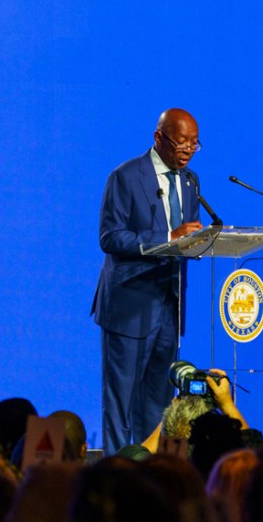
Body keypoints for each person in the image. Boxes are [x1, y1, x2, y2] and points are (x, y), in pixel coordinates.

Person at [93, 108, 203, 453]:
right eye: (181, 142)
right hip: (130, 304)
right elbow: (110, 237)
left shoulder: (190, 182)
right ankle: (115, 472)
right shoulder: (126, 176)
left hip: (170, 304)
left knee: (159, 401)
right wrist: (168, 237)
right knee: (120, 401)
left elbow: (190, 236)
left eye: (194, 144)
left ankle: (153, 474)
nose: (186, 150)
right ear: (159, 138)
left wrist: (201, 242)